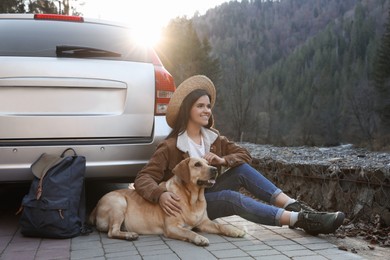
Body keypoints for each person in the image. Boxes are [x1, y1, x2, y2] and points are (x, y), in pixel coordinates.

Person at [134, 75, 345, 235]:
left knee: (241, 169)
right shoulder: (171, 146)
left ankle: (293, 205)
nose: (207, 110)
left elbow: (245, 155)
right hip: (187, 205)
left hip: (207, 194)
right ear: (187, 110)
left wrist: (223, 160)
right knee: (231, 198)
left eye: (208, 106)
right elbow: (143, 178)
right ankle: (299, 219)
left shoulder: (214, 139)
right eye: (200, 106)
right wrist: (160, 195)